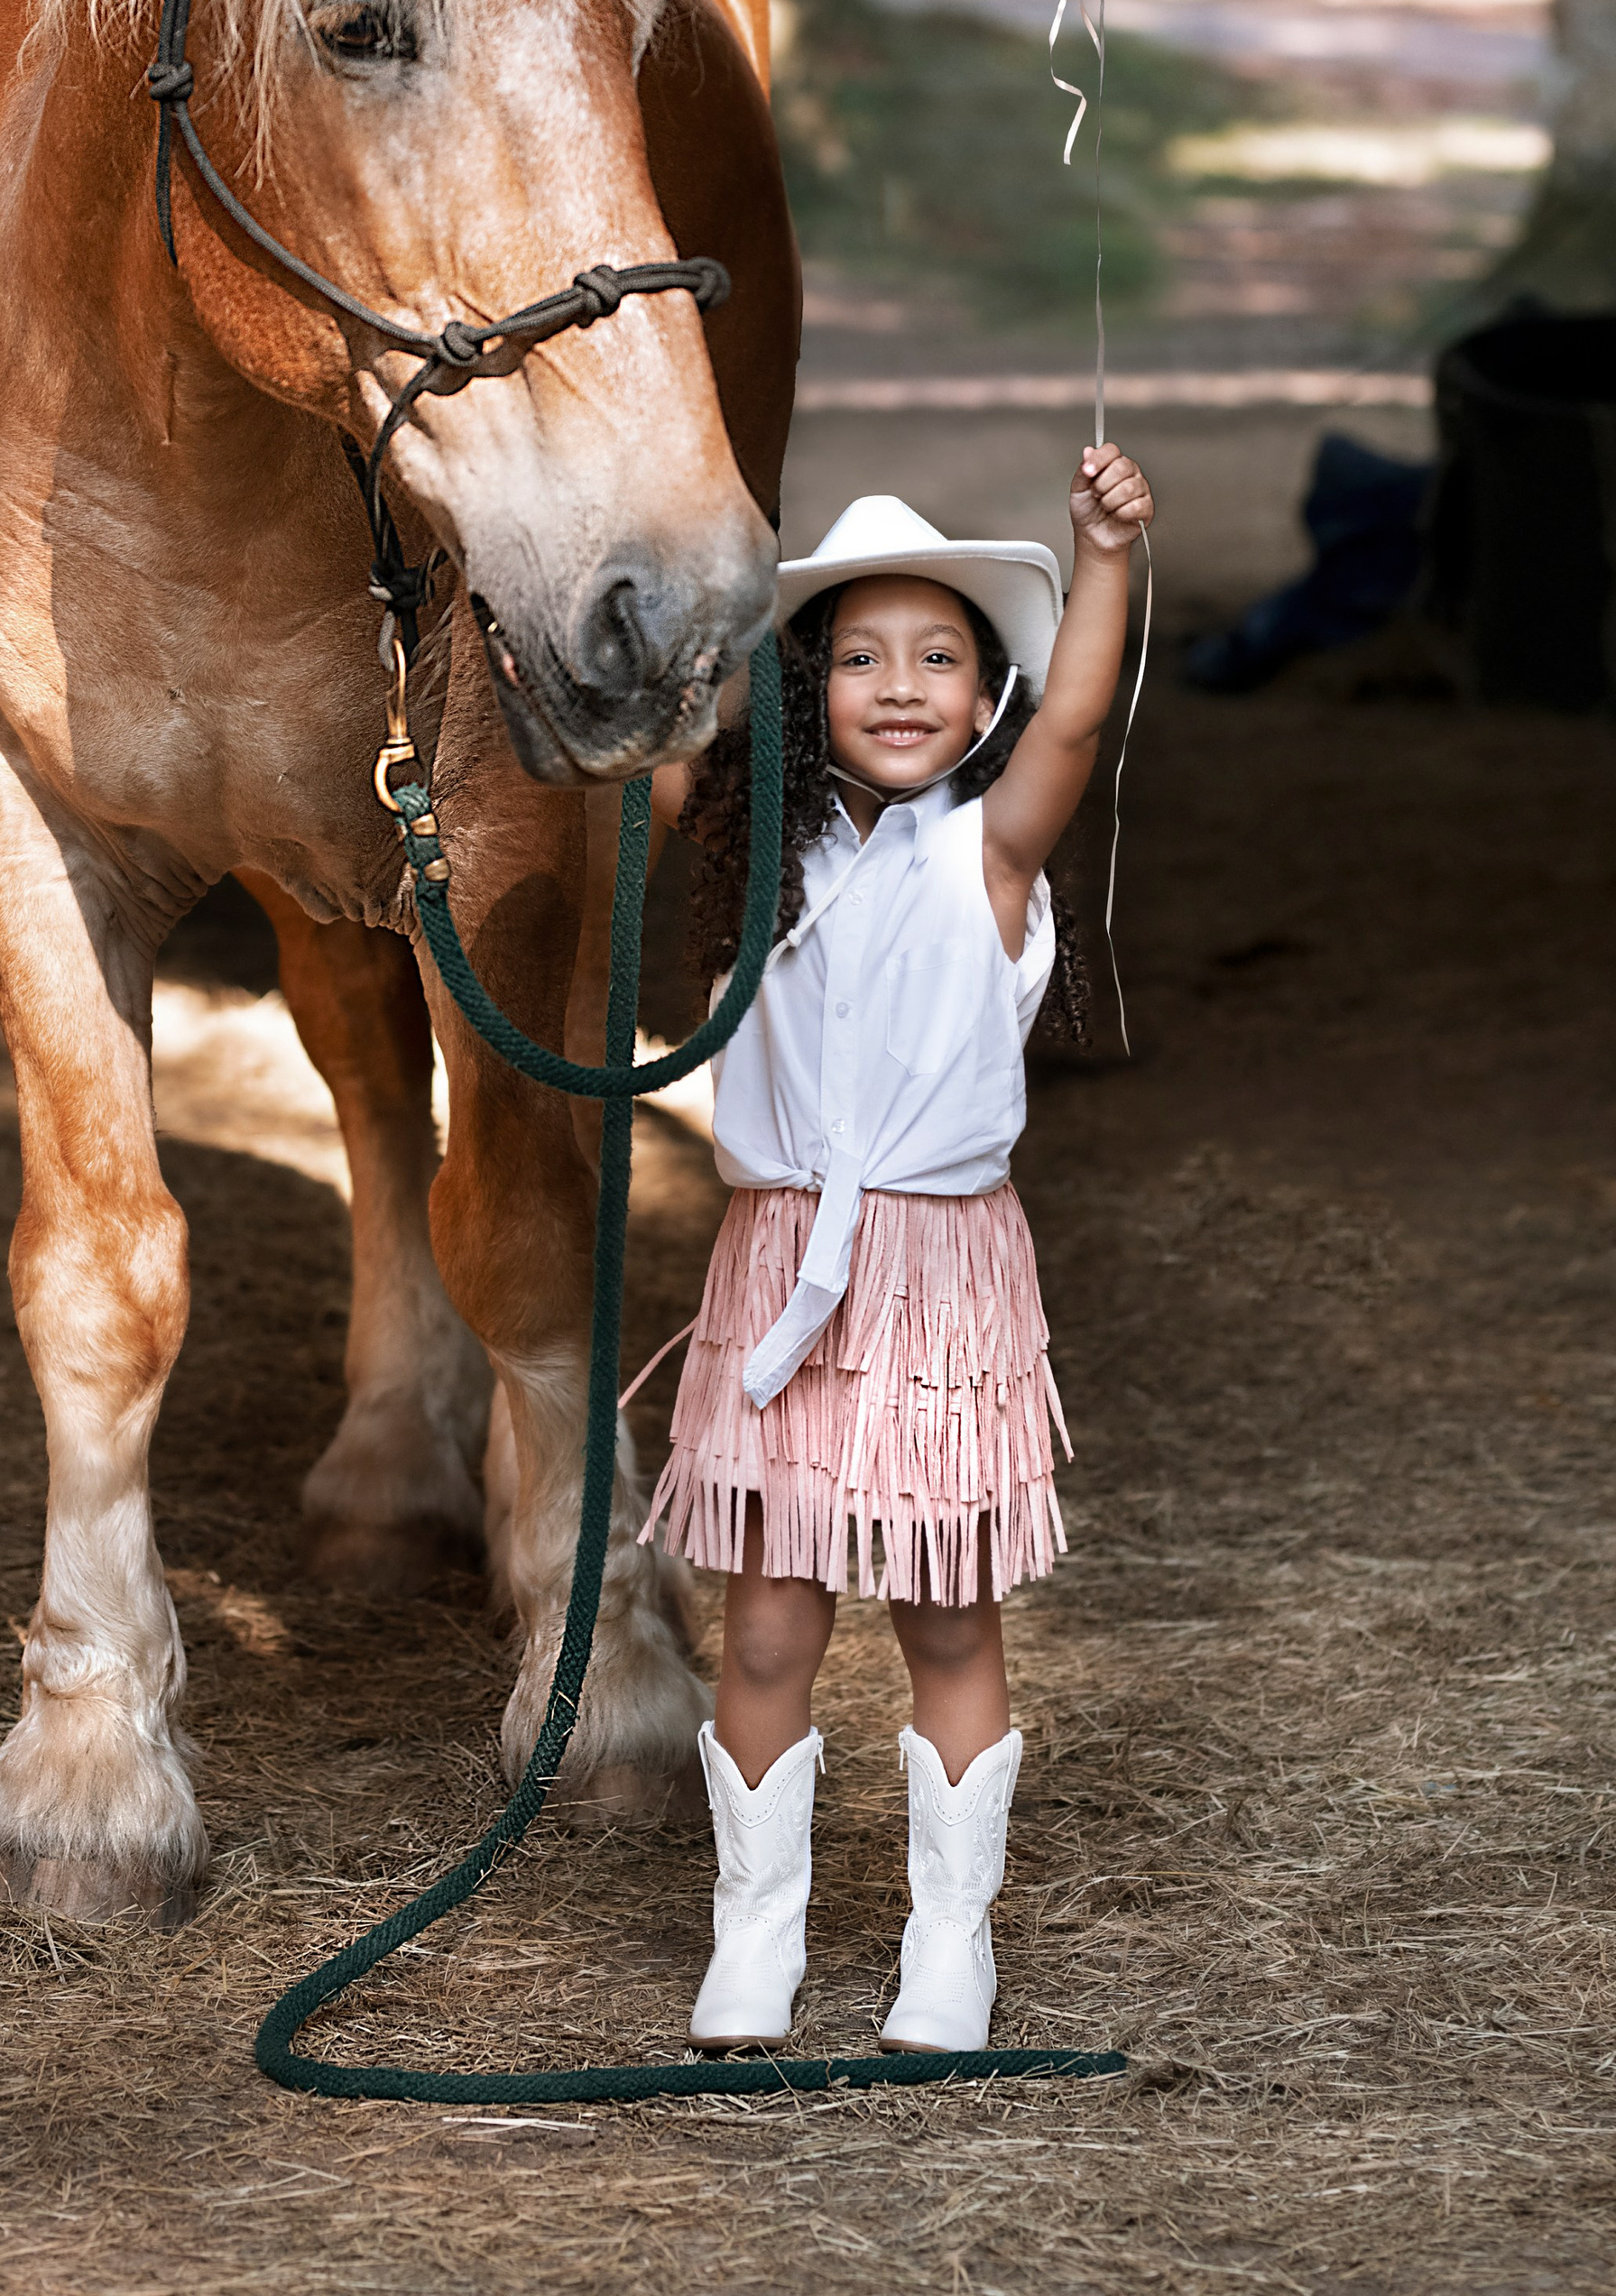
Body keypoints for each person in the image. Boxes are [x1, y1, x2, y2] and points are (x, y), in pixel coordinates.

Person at [642, 445, 1154, 2053]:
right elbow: (644, 738)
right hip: (780, 1262)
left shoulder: (986, 852)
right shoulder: (756, 853)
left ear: (987, 694)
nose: (903, 685)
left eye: (940, 656)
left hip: (940, 1278)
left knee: (945, 1616)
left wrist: (1104, 556)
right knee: (768, 1624)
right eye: (858, 657)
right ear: (805, 694)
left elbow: (1079, 719)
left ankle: (950, 1944)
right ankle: (757, 1936)